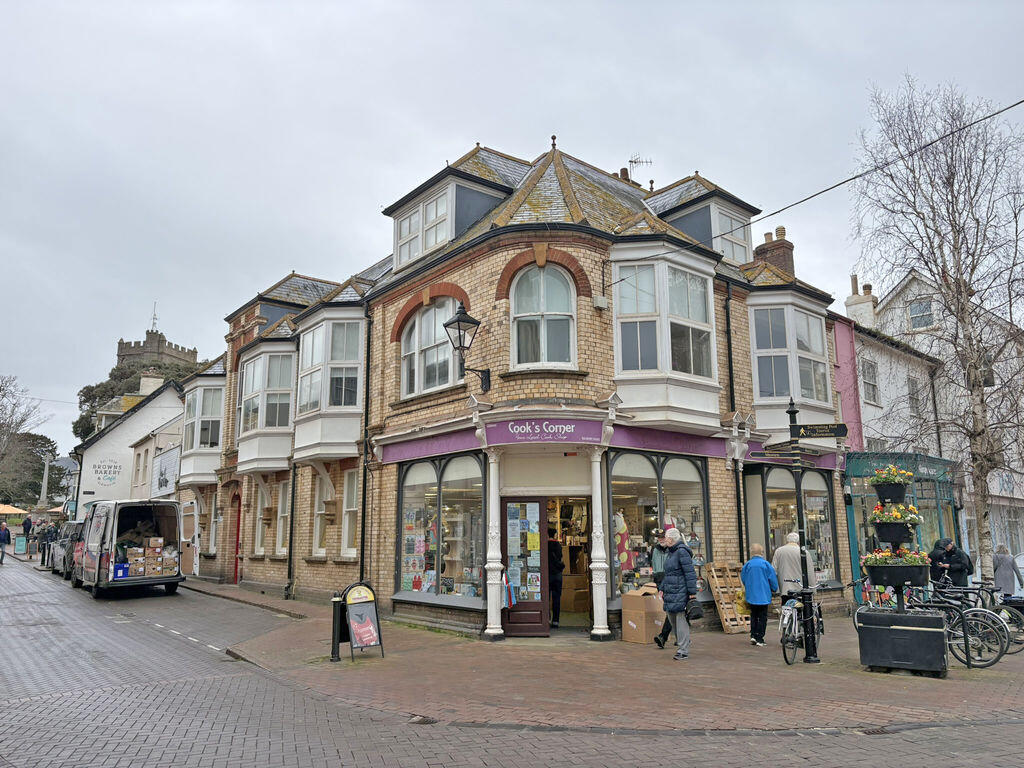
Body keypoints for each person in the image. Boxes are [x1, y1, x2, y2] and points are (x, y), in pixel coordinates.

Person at [660, 528, 698, 661]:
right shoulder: (671, 552)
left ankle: (683, 650)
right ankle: (683, 642)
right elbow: (668, 574)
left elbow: (690, 573)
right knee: (672, 620)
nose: (664, 540)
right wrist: (662, 588)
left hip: (680, 591)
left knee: (680, 620)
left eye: (666, 537)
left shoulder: (681, 552)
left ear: (671, 539)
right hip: (670, 591)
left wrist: (692, 592)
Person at [741, 544, 779, 647]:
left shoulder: (747, 565)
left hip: (751, 595)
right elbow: (772, 579)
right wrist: (774, 589)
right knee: (762, 617)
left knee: (754, 615)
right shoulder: (766, 564)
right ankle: (760, 638)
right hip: (763, 595)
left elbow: (743, 578)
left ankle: (753, 635)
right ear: (762, 553)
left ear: (751, 553)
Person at [650, 529, 674, 649]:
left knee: (671, 609)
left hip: (671, 581)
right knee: (672, 609)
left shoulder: (673, 550)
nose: (661, 540)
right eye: (659, 537)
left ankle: (664, 636)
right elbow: (653, 564)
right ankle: (681, 637)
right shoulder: (655, 549)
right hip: (660, 581)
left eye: (663, 537)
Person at [548, 528, 565, 628]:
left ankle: (546, 619)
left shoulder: (545, 545)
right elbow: (560, 557)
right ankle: (555, 621)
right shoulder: (558, 545)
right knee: (556, 598)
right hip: (557, 574)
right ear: (555, 534)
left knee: (546, 598)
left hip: (547, 574)